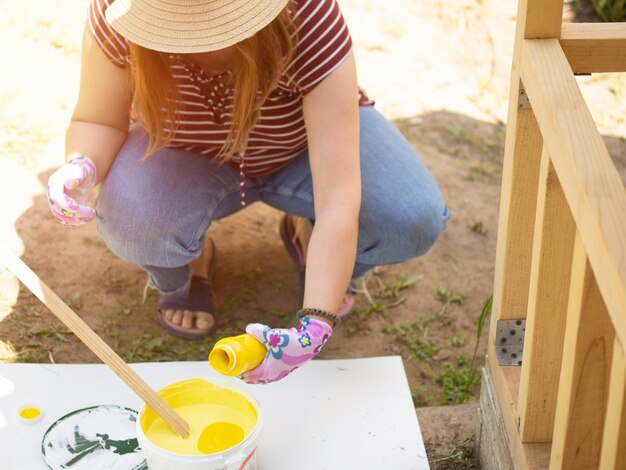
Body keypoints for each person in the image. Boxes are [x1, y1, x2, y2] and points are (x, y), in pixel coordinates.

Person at [47, 0, 450, 383]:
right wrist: (82, 165)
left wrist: (315, 324)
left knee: (408, 217)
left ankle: (314, 246)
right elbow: (97, 120)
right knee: (133, 219)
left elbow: (339, 199)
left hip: (302, 152)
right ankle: (192, 263)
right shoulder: (120, 13)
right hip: (183, 155)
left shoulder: (306, 13)